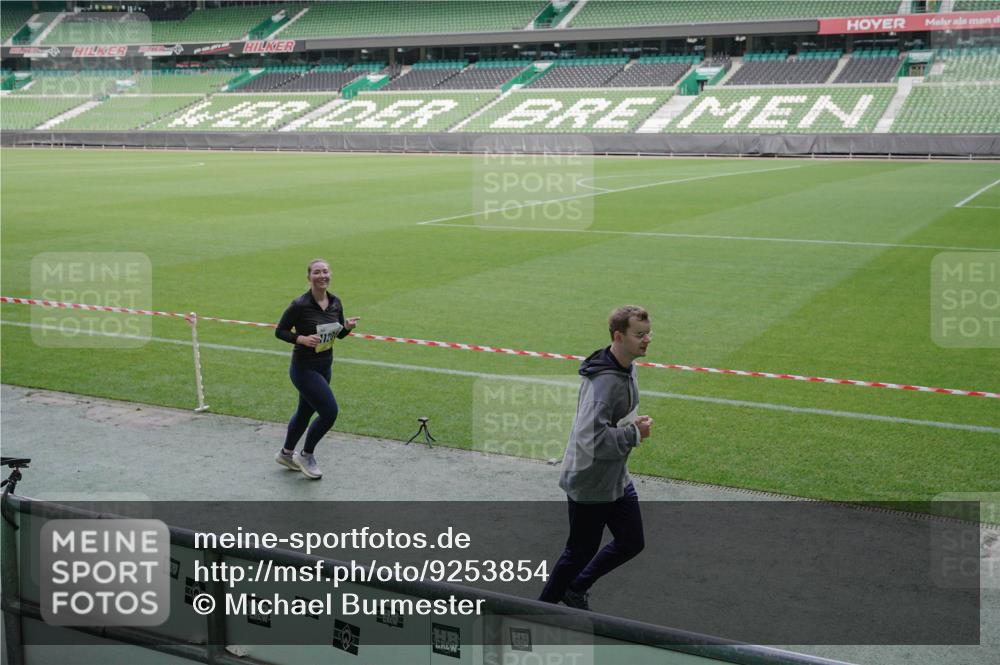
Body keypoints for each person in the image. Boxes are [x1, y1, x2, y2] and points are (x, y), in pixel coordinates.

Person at [539, 305, 653, 611]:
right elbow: (590, 439)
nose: (647, 340)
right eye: (639, 334)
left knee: (631, 541)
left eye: (648, 333)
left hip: (614, 478)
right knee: (578, 551)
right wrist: (634, 435)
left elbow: (612, 423)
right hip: (590, 482)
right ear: (618, 336)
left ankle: (576, 587)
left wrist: (631, 425)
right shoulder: (604, 384)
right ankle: (535, 613)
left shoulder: (627, 367)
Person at [273, 259, 359, 479]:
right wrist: (300, 338)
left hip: (324, 367)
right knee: (329, 412)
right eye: (317, 272)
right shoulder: (300, 305)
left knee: (305, 412)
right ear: (309, 277)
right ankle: (306, 455)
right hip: (303, 369)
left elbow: (337, 333)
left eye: (325, 272)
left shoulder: (335, 302)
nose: (322, 276)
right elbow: (280, 331)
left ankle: (285, 453)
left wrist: (347, 328)